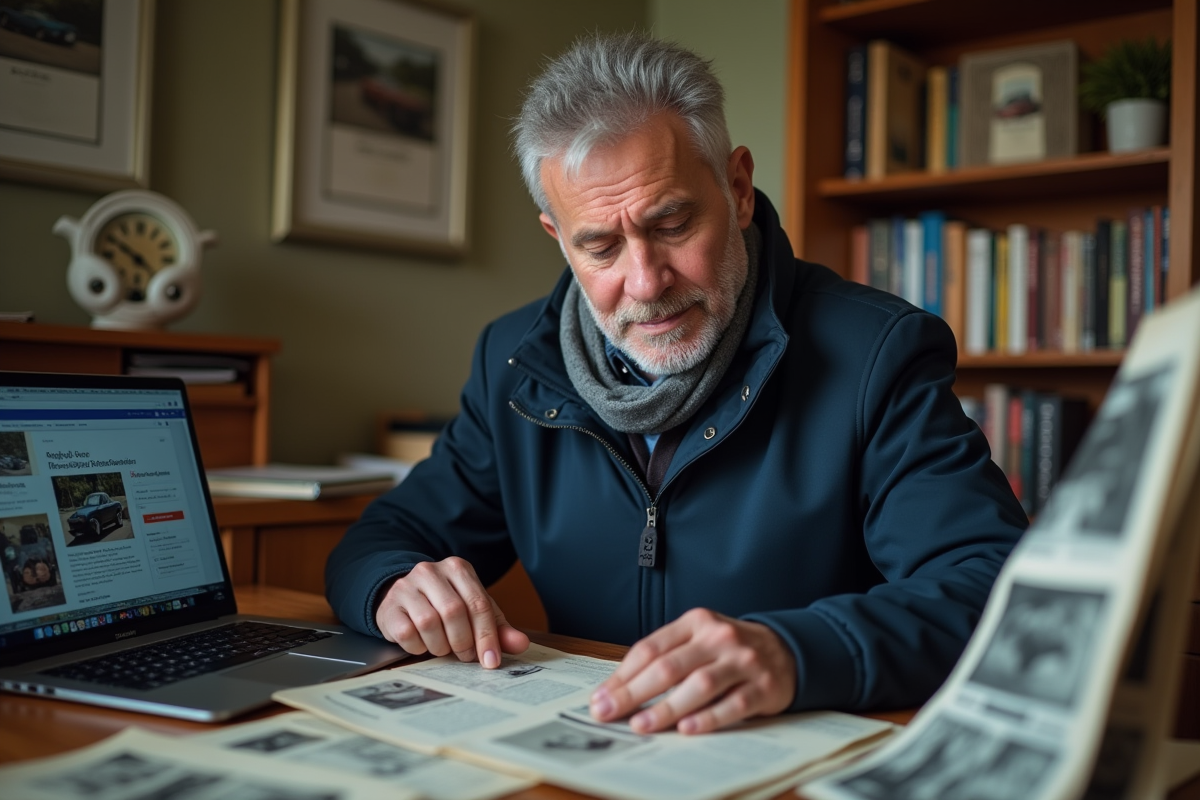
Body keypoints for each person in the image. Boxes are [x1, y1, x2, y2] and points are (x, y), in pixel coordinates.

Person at [327, 31, 1027, 737]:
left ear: (739, 188)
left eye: (672, 223)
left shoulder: (876, 353)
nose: (646, 281)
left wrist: (796, 651)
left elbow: (990, 584)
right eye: (599, 246)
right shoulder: (513, 359)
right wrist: (393, 586)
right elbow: (382, 538)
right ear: (557, 237)